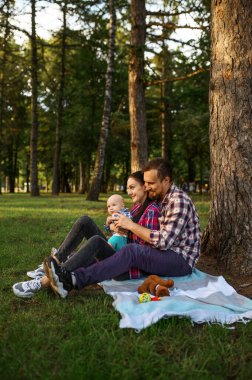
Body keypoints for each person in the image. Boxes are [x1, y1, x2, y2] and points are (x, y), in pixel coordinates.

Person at [43, 158, 201, 298]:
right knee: (90, 228)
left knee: (132, 250)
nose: (147, 187)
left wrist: (130, 226)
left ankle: (71, 279)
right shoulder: (157, 198)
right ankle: (59, 266)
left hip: (179, 259)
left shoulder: (178, 201)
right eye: (145, 183)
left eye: (150, 183)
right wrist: (117, 227)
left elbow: (163, 242)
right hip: (157, 254)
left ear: (166, 181)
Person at [12, 171, 160, 298]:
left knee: (96, 241)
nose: (129, 192)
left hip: (126, 266)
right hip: (118, 252)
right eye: (127, 188)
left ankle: (45, 281)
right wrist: (112, 227)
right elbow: (125, 232)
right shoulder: (136, 208)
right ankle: (57, 261)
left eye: (132, 187)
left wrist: (127, 230)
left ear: (145, 186)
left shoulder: (152, 210)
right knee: (85, 221)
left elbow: (145, 250)